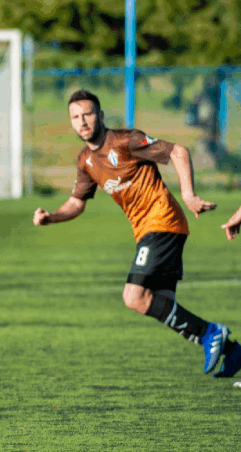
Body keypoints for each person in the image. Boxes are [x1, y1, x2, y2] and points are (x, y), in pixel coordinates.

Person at [33, 89, 238, 378]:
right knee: (160, 303)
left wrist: (189, 196)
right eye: (76, 117)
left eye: (88, 114)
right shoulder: (85, 160)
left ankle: (210, 333)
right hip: (147, 230)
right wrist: (51, 217)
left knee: (133, 296)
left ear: (100, 115)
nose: (83, 122)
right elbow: (76, 203)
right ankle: (233, 352)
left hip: (162, 222)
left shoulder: (126, 141)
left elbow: (178, 151)